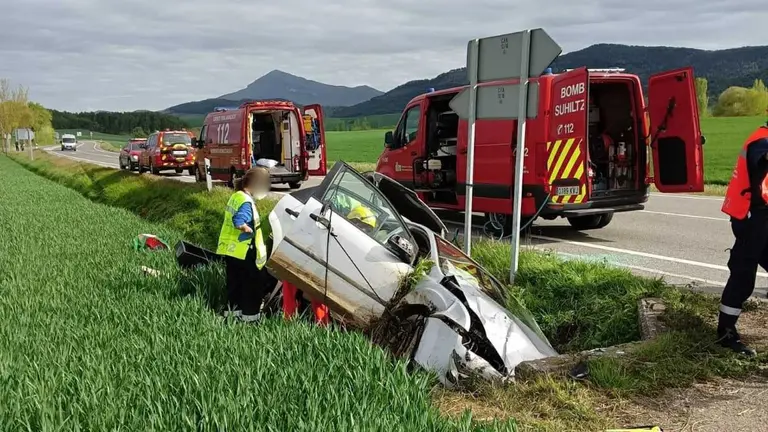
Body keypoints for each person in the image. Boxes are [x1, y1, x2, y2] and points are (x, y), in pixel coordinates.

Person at [718, 121, 768, 356]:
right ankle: (726, 333)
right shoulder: (762, 141)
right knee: (743, 273)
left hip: (761, 215)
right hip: (752, 217)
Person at [216, 167, 272, 323]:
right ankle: (250, 320)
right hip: (245, 250)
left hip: (232, 250)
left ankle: (231, 317)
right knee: (251, 287)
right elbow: (239, 220)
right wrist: (246, 228)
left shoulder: (236, 196)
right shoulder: (246, 201)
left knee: (235, 286)